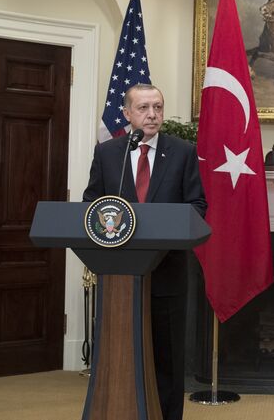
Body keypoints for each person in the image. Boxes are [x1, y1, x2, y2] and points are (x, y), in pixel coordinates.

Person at [83, 83, 206, 420]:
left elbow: (197, 205)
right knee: (120, 354)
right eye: (144, 108)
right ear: (126, 114)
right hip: (119, 275)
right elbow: (91, 203)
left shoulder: (182, 151)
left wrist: (165, 226)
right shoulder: (109, 154)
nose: (152, 115)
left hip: (166, 273)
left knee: (166, 358)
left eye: (158, 107)